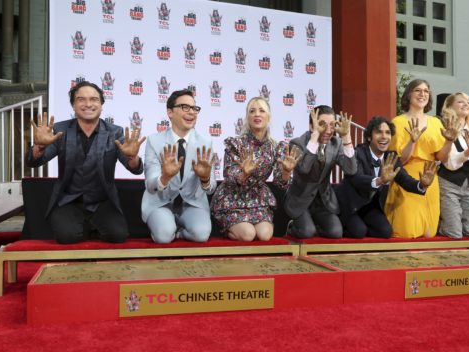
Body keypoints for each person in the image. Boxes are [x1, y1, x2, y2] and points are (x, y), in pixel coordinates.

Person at [27, 81, 145, 244]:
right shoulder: (60, 130)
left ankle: (92, 227)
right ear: (73, 105)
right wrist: (39, 147)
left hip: (102, 201)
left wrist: (133, 158)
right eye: (81, 99)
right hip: (68, 200)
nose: (88, 104)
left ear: (101, 105)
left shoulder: (115, 132)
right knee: (66, 237)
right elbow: (36, 161)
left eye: (94, 99)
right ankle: (82, 227)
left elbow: (135, 169)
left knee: (118, 235)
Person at [211, 97, 300, 241]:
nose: (257, 114)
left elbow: (279, 182)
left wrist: (286, 172)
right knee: (248, 235)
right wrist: (243, 174)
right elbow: (228, 174)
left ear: (268, 116)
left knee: (264, 236)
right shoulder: (236, 143)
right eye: (252, 111)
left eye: (261, 111)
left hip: (258, 200)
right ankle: (225, 229)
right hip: (233, 199)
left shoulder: (276, 147)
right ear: (247, 117)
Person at [334, 116, 437, 238]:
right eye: (379, 132)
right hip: (350, 204)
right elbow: (357, 179)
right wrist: (380, 180)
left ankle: (360, 225)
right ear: (369, 137)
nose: (384, 136)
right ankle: (341, 220)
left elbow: (405, 179)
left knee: (385, 232)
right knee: (358, 232)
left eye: (388, 133)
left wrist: (422, 185)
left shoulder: (391, 156)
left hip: (370, 206)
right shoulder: (358, 152)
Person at [384, 79, 460, 238]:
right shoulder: (397, 122)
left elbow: (442, 157)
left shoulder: (435, 122)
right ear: (409, 95)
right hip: (406, 177)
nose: (422, 94)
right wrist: (412, 141)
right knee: (406, 231)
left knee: (428, 233)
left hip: (430, 178)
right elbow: (399, 162)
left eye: (426, 91)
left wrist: (449, 141)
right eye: (417, 90)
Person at [142, 89, 216, 243]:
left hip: (192, 204)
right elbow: (150, 185)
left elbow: (211, 188)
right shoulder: (154, 141)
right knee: (163, 237)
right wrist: (164, 177)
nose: (192, 113)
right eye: (185, 107)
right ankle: (167, 228)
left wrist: (205, 178)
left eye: (195, 108)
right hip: (160, 203)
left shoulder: (205, 143)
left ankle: (180, 232)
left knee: (201, 235)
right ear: (170, 112)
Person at [284, 105, 357, 238]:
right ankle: (292, 227)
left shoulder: (336, 143)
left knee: (336, 233)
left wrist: (346, 138)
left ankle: (313, 226)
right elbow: (304, 169)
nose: (329, 130)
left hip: (323, 201)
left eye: (332, 125)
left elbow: (351, 170)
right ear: (312, 126)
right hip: (300, 200)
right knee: (307, 232)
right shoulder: (297, 143)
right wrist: (315, 136)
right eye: (322, 125)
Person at [438, 92, 469, 238]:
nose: (466, 104)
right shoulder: (444, 128)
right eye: (461, 102)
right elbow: (450, 164)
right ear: (450, 106)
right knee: (454, 233)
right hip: (449, 183)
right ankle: (438, 224)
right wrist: (468, 151)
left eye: (468, 102)